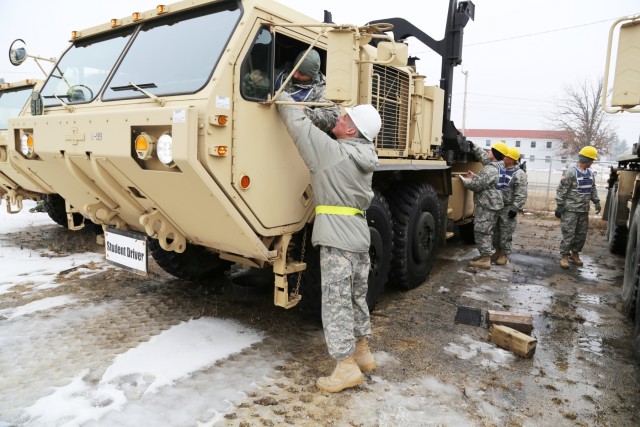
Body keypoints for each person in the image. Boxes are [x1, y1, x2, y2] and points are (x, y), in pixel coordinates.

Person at [276, 90, 381, 393]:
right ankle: (362, 352)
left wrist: (282, 92)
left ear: (351, 130)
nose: (339, 117)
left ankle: (345, 367)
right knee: (355, 297)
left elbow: (298, 124)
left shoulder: (333, 154)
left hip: (338, 239)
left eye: (345, 117)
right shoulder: (364, 155)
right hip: (358, 237)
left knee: (335, 303)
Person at [461, 141, 507, 269]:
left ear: (496, 154)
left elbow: (477, 186)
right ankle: (485, 255)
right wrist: (475, 176)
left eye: (491, 151)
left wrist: (465, 181)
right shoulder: (500, 167)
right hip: (493, 204)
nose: (488, 152)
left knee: (482, 231)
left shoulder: (490, 169)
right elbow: (488, 183)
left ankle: (485, 259)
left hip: (487, 205)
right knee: (487, 230)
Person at [555, 146, 601, 269]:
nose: (592, 162)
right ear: (586, 159)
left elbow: (592, 188)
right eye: (591, 160)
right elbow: (561, 190)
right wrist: (559, 206)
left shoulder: (590, 173)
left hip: (583, 210)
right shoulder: (570, 172)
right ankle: (565, 255)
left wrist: (596, 201)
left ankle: (575, 254)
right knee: (568, 233)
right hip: (570, 210)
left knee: (581, 234)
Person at [274, 49, 339, 133]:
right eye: (295, 69)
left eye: (302, 73)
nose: (295, 75)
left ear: (312, 76)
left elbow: (333, 119)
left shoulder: (322, 90)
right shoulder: (282, 71)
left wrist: (304, 111)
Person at [492, 146, 528, 265]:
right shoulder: (500, 169)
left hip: (508, 208)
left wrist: (515, 208)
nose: (504, 158)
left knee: (506, 232)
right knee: (495, 231)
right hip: (497, 206)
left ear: (512, 159)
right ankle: (497, 251)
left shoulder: (519, 174)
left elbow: (521, 193)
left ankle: (504, 254)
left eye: (506, 156)